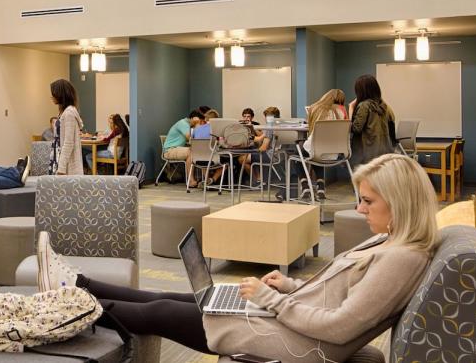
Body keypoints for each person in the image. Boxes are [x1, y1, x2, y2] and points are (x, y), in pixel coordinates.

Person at [35, 153, 438, 361]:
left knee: (159, 311)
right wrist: (290, 285)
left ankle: (62, 304)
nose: (360, 209)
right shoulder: (391, 242)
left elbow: (340, 327)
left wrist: (272, 300)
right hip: (291, 320)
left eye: (368, 201)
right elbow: (343, 295)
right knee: (173, 296)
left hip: (293, 343)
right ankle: (78, 284)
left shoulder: (402, 258)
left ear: (399, 203)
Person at [348, 75, 396, 165]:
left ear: (361, 91)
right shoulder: (384, 106)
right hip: (383, 151)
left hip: (366, 153)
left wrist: (351, 108)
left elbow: (356, 129)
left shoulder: (364, 105)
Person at [49, 79, 83, 175]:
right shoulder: (63, 112)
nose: (52, 96)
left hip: (65, 164)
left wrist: (61, 169)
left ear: (60, 94)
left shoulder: (69, 113)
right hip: (58, 157)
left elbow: (68, 142)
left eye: (54, 93)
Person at [163, 110, 204, 186]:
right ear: (193, 118)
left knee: (195, 151)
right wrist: (197, 124)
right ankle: (190, 181)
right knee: (191, 152)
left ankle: (202, 179)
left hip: (175, 148)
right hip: (169, 150)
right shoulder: (183, 123)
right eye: (200, 121)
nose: (201, 124)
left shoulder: (188, 125)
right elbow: (191, 139)